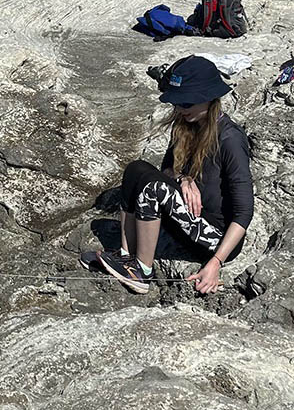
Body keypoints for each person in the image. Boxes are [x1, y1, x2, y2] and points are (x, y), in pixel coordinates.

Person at [92, 55, 254, 294]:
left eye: (186, 103)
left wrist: (215, 263)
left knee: (154, 188)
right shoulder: (187, 126)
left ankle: (142, 272)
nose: (179, 109)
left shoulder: (230, 139)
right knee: (136, 169)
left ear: (208, 99)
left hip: (216, 237)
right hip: (190, 219)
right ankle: (127, 256)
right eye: (177, 103)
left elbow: (243, 213)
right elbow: (166, 171)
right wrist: (183, 179)